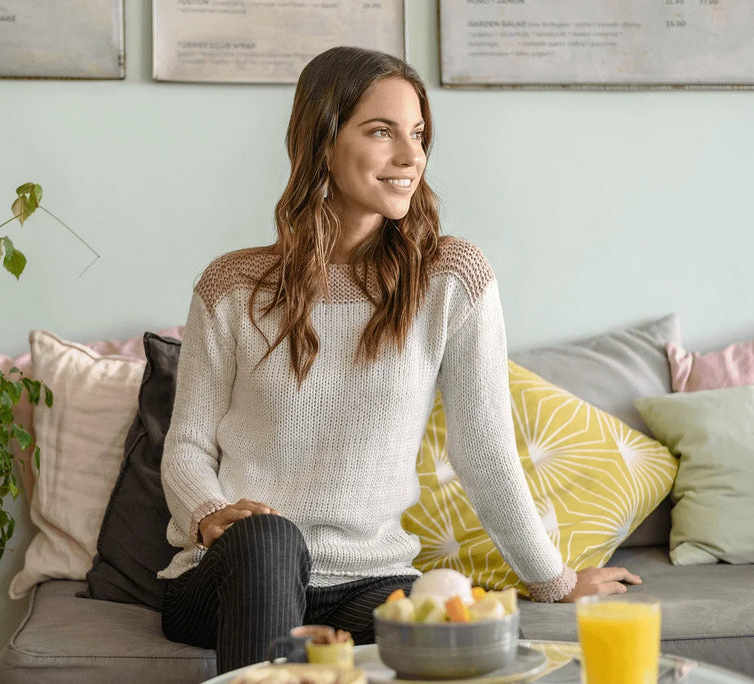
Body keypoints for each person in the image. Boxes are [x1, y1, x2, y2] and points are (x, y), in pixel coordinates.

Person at [158, 46, 641, 674]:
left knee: (447, 604)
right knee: (273, 539)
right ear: (322, 143)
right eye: (381, 132)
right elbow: (187, 445)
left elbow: (484, 448)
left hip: (366, 582)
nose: (411, 157)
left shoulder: (450, 280)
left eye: (417, 135)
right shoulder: (231, 287)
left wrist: (552, 579)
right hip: (232, 576)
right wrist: (208, 514)